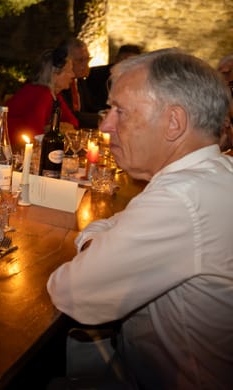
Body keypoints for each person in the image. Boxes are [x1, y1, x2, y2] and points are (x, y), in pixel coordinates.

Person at [47, 49, 233, 389]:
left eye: (120, 111)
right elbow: (117, 222)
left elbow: (71, 292)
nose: (105, 125)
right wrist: (107, 235)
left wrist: (94, 240)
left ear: (173, 122)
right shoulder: (213, 173)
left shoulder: (182, 198)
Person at [6, 45, 78, 145]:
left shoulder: (55, 95)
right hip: (13, 149)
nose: (73, 75)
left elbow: (74, 123)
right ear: (55, 73)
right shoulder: (40, 94)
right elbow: (36, 135)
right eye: (69, 70)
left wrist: (53, 128)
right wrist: (55, 129)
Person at [86, 43, 143, 109]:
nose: (124, 65)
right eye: (122, 60)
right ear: (116, 59)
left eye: (130, 62)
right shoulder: (95, 74)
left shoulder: (140, 79)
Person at [60, 38, 101, 128]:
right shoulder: (59, 84)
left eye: (87, 59)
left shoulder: (80, 80)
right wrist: (101, 118)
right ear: (65, 61)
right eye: (80, 60)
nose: (85, 65)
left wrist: (105, 113)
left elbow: (89, 108)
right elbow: (69, 116)